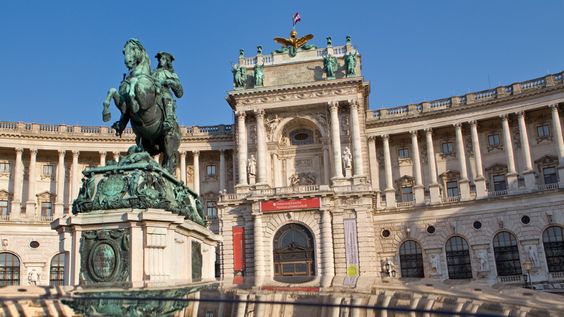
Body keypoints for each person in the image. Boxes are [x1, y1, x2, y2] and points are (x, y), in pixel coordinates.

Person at [153, 52, 183, 133]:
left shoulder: (172, 74)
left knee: (166, 97)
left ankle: (169, 120)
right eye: (160, 59)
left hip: (164, 92)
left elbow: (180, 93)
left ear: (167, 61)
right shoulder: (152, 72)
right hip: (153, 93)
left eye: (163, 59)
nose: (160, 61)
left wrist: (170, 81)